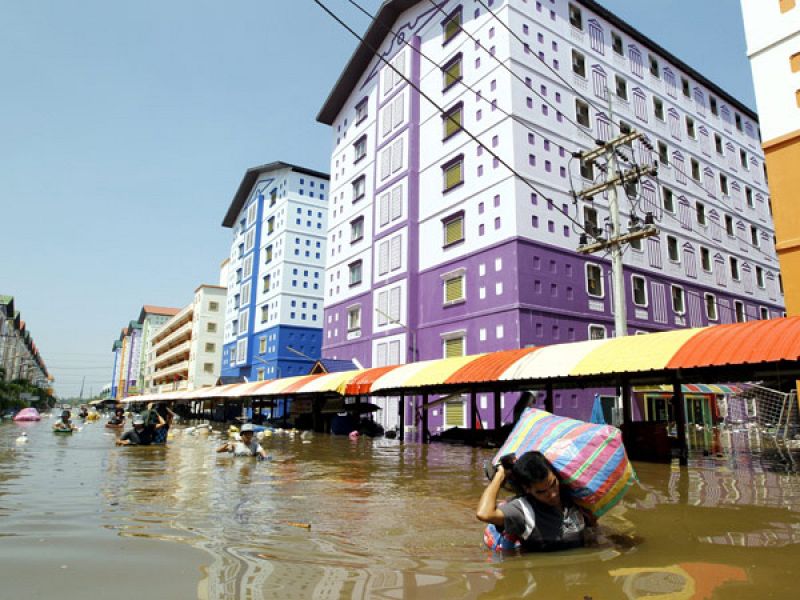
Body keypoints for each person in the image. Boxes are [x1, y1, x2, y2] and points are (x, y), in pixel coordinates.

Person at [476, 451, 596, 552]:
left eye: (553, 484)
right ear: (527, 489)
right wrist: (500, 475)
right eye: (542, 492)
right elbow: (484, 513)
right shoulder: (523, 511)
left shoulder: (573, 494)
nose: (553, 494)